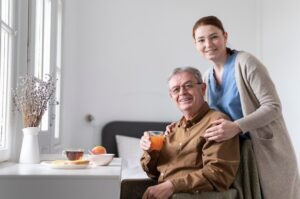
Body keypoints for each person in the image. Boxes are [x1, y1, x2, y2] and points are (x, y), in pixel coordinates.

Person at [191, 15, 300, 199]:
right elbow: (206, 117)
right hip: (239, 157)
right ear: (196, 45)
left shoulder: (246, 63)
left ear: (225, 37)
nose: (208, 44)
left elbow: (273, 106)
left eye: (214, 36)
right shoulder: (207, 77)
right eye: (201, 40)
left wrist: (236, 127)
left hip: (267, 153)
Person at [140, 67, 240, 199]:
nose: (182, 93)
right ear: (172, 97)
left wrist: (172, 185)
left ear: (203, 89)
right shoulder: (173, 129)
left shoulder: (217, 123)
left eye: (188, 86)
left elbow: (218, 174)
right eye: (176, 89)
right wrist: (150, 151)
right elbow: (154, 173)